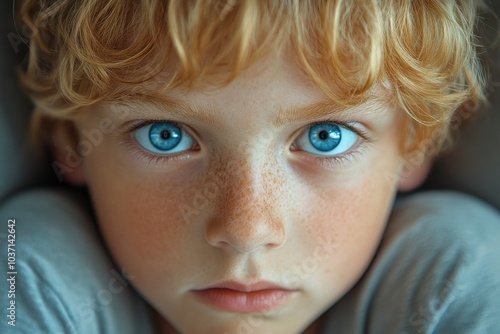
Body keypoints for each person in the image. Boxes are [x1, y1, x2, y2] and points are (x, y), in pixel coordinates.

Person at [4, 0, 500, 333]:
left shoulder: (457, 277)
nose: (246, 230)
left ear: (416, 144)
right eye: (166, 135)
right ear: (71, 141)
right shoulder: (25, 270)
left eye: (326, 137)